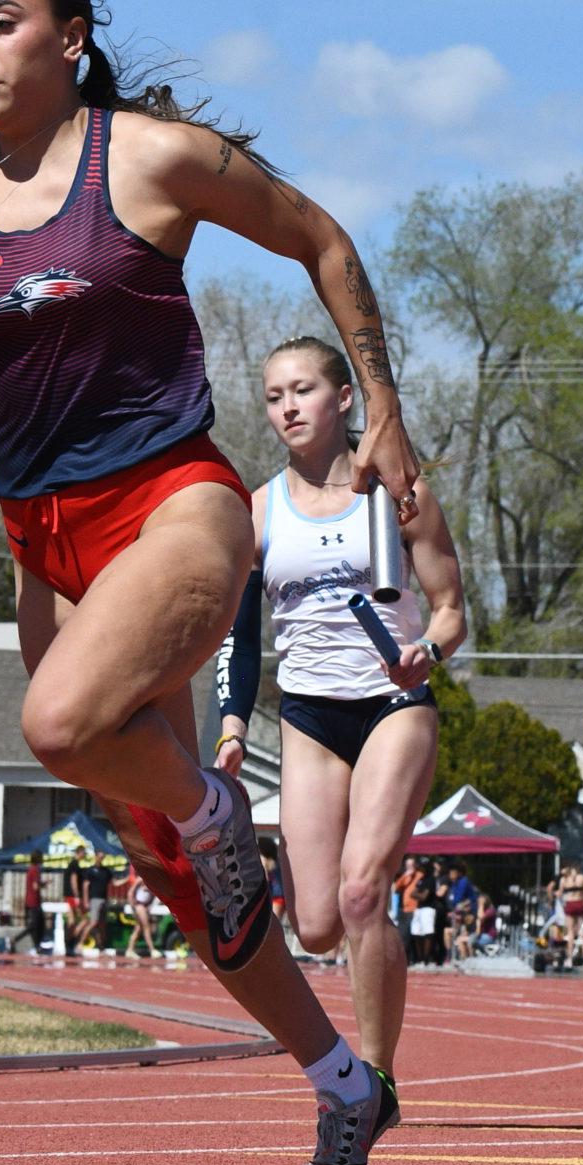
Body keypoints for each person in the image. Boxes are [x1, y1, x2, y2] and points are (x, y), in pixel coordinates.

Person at [0, 0, 419, 1165]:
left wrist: (388, 411)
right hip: (47, 545)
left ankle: (213, 810)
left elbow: (322, 239)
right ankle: (342, 1083)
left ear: (70, 36)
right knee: (167, 867)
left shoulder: (146, 157)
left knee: (61, 724)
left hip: (173, 508)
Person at [214, 336, 466, 1079]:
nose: (288, 406)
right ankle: (367, 1061)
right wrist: (231, 724)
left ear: (345, 398)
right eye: (273, 396)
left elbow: (450, 608)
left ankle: (376, 1077)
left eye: (303, 390)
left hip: (394, 704)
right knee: (317, 924)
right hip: (309, 720)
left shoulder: (398, 493)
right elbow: (239, 630)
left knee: (363, 891)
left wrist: (431, 652)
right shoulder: (259, 511)